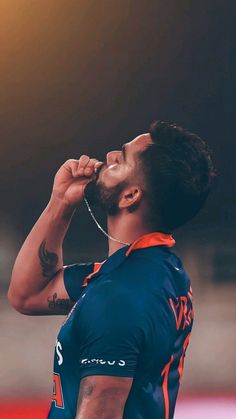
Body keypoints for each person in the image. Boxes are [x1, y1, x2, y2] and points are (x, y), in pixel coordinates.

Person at [8, 120, 215, 419]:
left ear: (131, 196)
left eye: (122, 158)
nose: (109, 156)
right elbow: (27, 295)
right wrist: (61, 202)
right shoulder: (161, 271)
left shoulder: (118, 296)